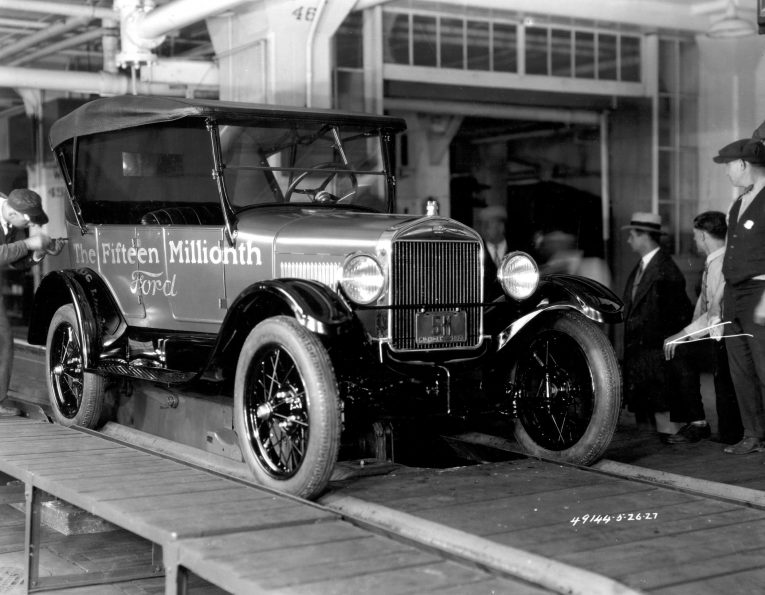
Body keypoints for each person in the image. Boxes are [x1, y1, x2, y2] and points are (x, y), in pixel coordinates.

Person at [663, 211, 742, 444]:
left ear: (705, 236)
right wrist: (687, 336)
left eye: (697, 236)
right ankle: (696, 422)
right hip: (715, 335)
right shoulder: (713, 262)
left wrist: (682, 335)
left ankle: (697, 423)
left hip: (727, 338)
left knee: (677, 349)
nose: (695, 241)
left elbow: (714, 312)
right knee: (679, 349)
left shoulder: (722, 264)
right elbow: (702, 307)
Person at [713, 138, 765, 454]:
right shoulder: (739, 203)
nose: (728, 173)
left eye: (729, 165)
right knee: (742, 369)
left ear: (743, 164)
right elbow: (730, 254)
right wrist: (721, 296)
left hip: (760, 292)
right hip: (735, 294)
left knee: (764, 367)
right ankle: (754, 434)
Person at [622, 212, 693, 439]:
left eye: (632, 235)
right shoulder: (644, 266)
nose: (629, 240)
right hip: (642, 358)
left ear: (645, 236)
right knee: (647, 416)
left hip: (655, 357)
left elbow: (678, 318)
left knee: (663, 416)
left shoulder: (665, 271)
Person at [0, 188, 62, 417]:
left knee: (3, 339)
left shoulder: (11, 218)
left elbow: (13, 261)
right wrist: (28, 244)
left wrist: (38, 252)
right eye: (29, 221)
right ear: (19, 215)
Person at [538, 230, 612, 289]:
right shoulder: (545, 270)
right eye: (551, 242)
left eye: (558, 242)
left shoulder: (594, 265)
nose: (555, 245)